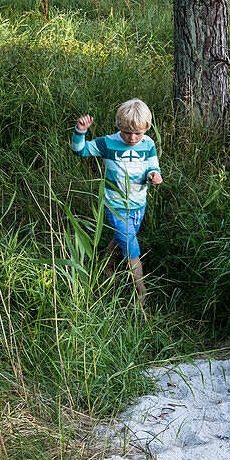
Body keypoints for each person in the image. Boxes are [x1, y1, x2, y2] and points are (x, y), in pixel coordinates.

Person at [71, 98, 163, 305]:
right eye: (127, 132)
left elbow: (153, 166)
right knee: (131, 247)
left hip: (139, 204)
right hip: (116, 205)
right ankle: (142, 292)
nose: (132, 138)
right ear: (119, 127)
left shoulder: (148, 144)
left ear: (146, 128)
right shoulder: (107, 143)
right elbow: (79, 150)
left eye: (137, 133)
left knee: (123, 241)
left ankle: (106, 266)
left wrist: (154, 175)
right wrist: (80, 131)